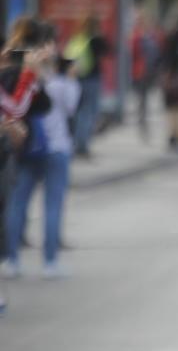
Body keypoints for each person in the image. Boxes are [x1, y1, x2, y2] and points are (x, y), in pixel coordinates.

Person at [4, 24, 79, 280]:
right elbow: (68, 107)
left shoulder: (22, 75)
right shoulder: (47, 78)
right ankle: (49, 262)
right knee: (52, 205)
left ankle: (12, 259)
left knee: (18, 203)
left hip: (27, 147)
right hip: (55, 147)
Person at [65, 15, 109, 158]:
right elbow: (108, 50)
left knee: (80, 111)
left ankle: (78, 142)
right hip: (92, 79)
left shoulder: (77, 38)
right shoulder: (95, 39)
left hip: (77, 78)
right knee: (90, 111)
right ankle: (82, 145)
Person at [128, 9, 163, 141]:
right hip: (141, 70)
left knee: (143, 97)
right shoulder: (138, 37)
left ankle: (142, 119)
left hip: (146, 70)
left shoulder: (147, 36)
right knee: (142, 97)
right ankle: (142, 120)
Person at [161, 7, 178, 150]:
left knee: (173, 107)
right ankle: (177, 135)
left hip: (174, 74)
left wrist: (166, 75)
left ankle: (174, 134)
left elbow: (167, 58)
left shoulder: (173, 34)